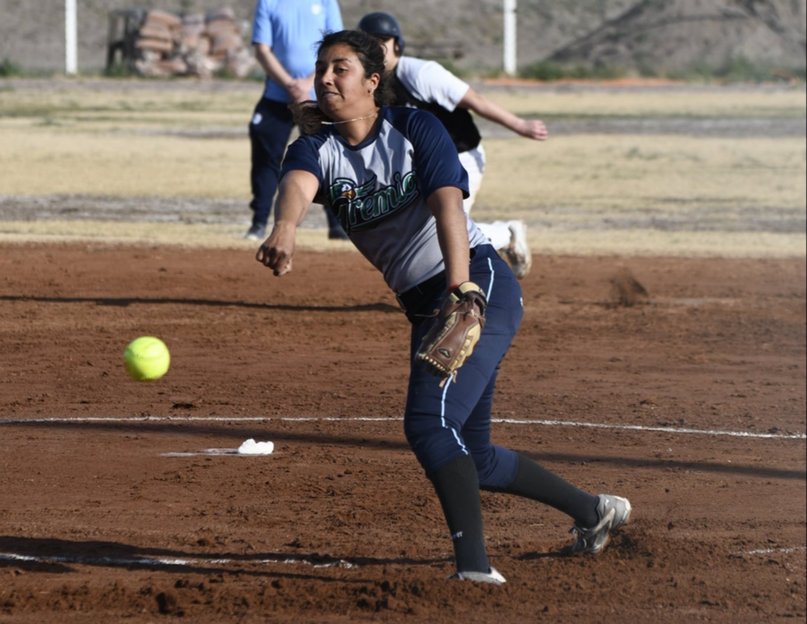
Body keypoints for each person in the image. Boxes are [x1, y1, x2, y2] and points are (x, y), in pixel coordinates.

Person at [255, 29, 631, 584]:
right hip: (427, 307)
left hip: (477, 285)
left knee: (430, 425)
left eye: (341, 68)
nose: (326, 77)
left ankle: (474, 571)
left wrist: (461, 290)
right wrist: (284, 231)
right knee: (472, 456)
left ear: (373, 81)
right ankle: (595, 511)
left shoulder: (413, 127)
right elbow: (298, 181)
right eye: (322, 69)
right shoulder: (318, 147)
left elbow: (448, 206)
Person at [357, 11, 548, 278]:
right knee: (426, 230)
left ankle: (506, 233)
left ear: (397, 44)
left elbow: (476, 101)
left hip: (461, 156)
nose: (375, 48)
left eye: (382, 41)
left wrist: (519, 125)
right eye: (368, 42)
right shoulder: (369, 84)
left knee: (450, 229)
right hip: (423, 164)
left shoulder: (421, 73)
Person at [246, 0, 348, 241]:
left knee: (328, 159)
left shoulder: (326, 2)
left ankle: (337, 226)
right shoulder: (268, 2)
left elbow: (337, 47)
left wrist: (309, 83)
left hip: (318, 97)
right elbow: (262, 49)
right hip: (277, 96)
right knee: (266, 159)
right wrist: (291, 85)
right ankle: (258, 223)